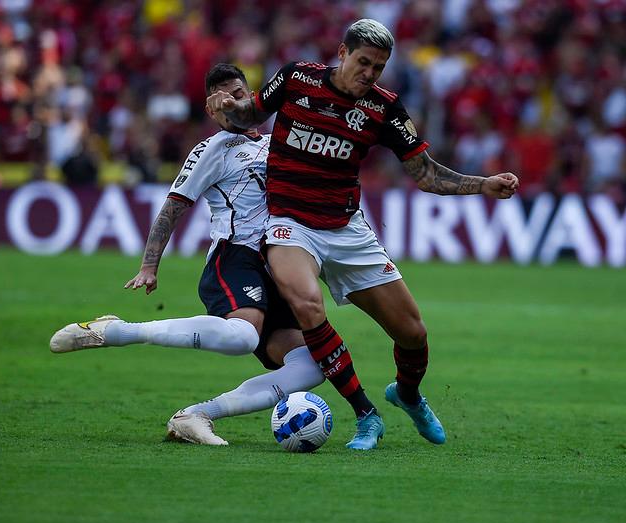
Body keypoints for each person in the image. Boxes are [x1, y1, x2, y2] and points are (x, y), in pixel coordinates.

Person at [207, 19, 519, 450]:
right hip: (291, 224)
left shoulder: (384, 108)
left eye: (379, 66)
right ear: (342, 53)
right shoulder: (296, 77)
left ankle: (407, 395)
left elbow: (424, 173)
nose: (369, 73)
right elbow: (253, 112)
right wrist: (226, 107)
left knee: (412, 333)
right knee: (306, 304)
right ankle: (366, 415)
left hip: (347, 230)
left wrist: (482, 184)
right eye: (363, 62)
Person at [50, 64, 324, 445]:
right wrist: (149, 264)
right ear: (213, 110)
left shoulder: (273, 141)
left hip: (279, 265)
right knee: (243, 337)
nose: (234, 101)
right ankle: (118, 331)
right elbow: (174, 206)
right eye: (223, 98)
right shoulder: (212, 149)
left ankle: (197, 415)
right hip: (236, 257)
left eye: (240, 93)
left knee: (312, 365)